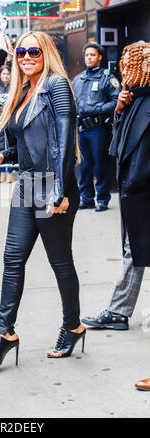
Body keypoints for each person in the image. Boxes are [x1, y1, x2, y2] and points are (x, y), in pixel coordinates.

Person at [0, 31, 85, 367]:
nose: (26, 57)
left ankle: (72, 326)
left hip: (51, 184)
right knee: (12, 260)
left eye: (34, 52)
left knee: (60, 262)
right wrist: (1, 157)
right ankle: (4, 334)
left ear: (46, 54)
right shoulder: (24, 91)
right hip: (26, 185)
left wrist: (59, 189)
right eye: (22, 52)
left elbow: (64, 137)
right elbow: (26, 143)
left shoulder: (56, 85)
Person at [82, 42, 150, 339]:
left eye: (128, 63)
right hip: (134, 192)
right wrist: (121, 108)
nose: (123, 68)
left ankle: (118, 311)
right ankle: (118, 311)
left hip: (142, 191)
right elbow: (118, 146)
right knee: (133, 251)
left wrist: (135, 181)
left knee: (133, 250)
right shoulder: (134, 99)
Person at [73, 42, 121, 212]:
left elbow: (116, 101)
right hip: (82, 130)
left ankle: (102, 198)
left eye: (92, 55)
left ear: (100, 57)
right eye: (87, 55)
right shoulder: (78, 79)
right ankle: (86, 198)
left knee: (100, 165)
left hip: (99, 128)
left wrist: (98, 109)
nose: (89, 58)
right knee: (84, 166)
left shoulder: (108, 78)